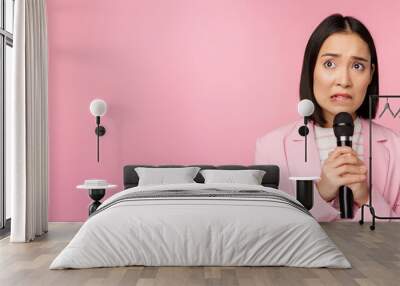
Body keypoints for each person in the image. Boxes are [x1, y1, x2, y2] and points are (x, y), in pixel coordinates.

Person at [255, 14, 400, 221]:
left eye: (357, 66)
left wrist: (366, 196)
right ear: (311, 68)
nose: (344, 80)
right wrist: (320, 193)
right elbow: (269, 234)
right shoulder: (271, 147)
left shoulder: (396, 148)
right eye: (330, 64)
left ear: (370, 74)